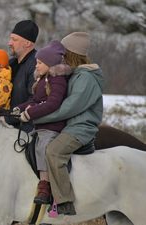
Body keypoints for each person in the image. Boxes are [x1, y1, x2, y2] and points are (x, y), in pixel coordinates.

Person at [34, 32, 104, 215]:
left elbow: (69, 108)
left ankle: (64, 201)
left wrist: (37, 117)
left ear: (72, 54)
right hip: (68, 125)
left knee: (54, 151)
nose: (60, 57)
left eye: (64, 53)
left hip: (81, 127)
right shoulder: (72, 75)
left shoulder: (86, 78)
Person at [15, 40, 71, 204]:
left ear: (50, 64)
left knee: (42, 147)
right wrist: (19, 108)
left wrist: (30, 113)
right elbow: (35, 100)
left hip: (52, 127)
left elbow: (52, 104)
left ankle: (45, 185)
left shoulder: (57, 80)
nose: (36, 66)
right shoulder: (42, 80)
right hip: (40, 126)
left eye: (40, 63)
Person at [4, 20, 39, 132]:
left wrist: (8, 118)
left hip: (25, 130)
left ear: (27, 43)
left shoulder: (36, 65)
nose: (9, 43)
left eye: (14, 40)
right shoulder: (10, 64)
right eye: (10, 38)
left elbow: (35, 100)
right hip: (5, 126)